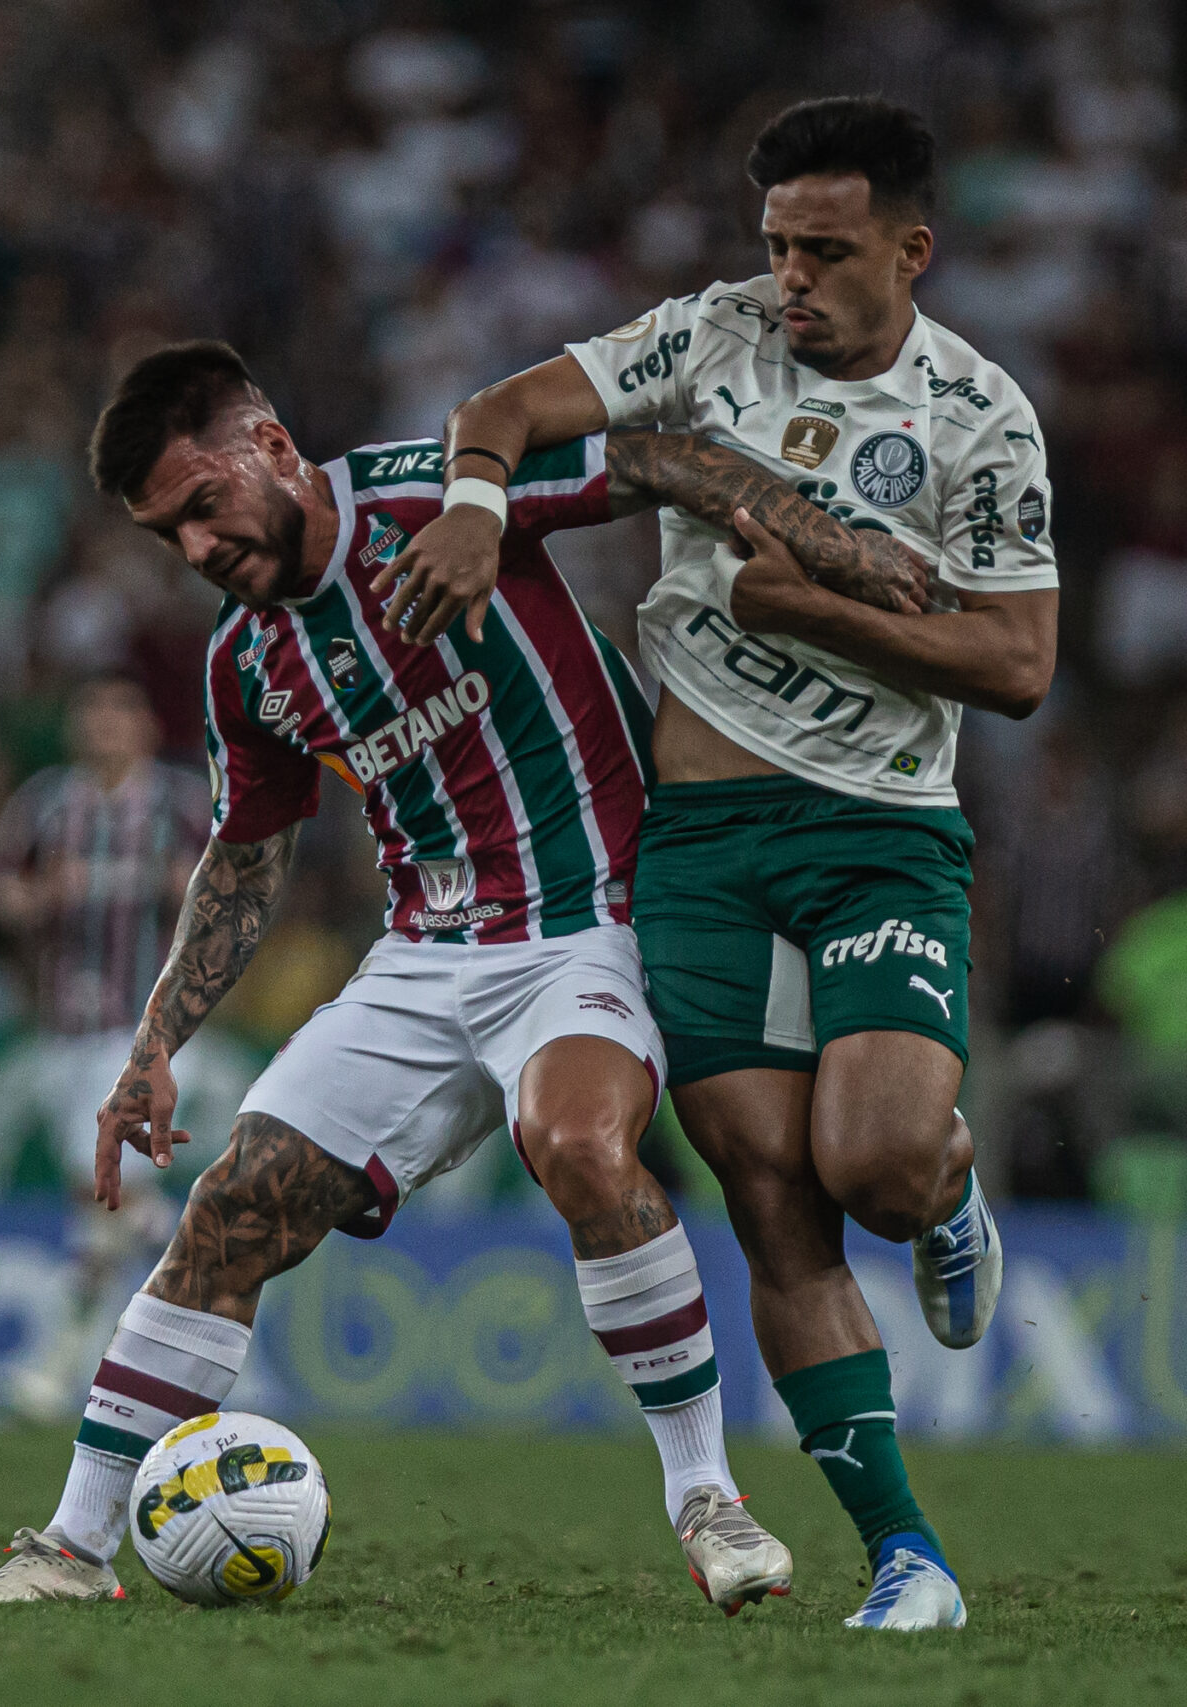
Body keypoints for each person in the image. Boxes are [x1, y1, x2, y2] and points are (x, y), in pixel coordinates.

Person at [0, 342, 917, 1612]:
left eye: (201, 506)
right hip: (425, 953)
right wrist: (156, 1038)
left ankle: (707, 1503)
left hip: (593, 921)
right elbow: (246, 858)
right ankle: (72, 1550)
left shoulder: (437, 499)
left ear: (272, 447)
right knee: (231, 1205)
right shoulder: (248, 663)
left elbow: (658, 458)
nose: (193, 549)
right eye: (162, 534)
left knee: (574, 1143)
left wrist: (831, 543)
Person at [391, 96, 1060, 1630]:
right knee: (770, 1195)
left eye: (825, 250)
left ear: (913, 248)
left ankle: (950, 1185)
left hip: (880, 835)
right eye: (775, 245)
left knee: (873, 1163)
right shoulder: (710, 336)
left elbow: (1018, 664)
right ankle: (910, 1556)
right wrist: (480, 508)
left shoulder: (981, 412)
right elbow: (497, 405)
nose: (792, 278)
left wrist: (811, 604)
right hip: (696, 842)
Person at [0, 673, 237, 1422]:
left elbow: (229, 887)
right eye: (93, 711)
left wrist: (179, 891)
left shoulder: (179, 804)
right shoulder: (49, 801)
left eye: (121, 710)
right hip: (61, 1029)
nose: (105, 725)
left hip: (144, 1028)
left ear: (146, 725)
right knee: (109, 1205)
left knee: (107, 1184)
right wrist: (36, 898)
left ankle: (57, 1370)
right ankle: (190, 1259)